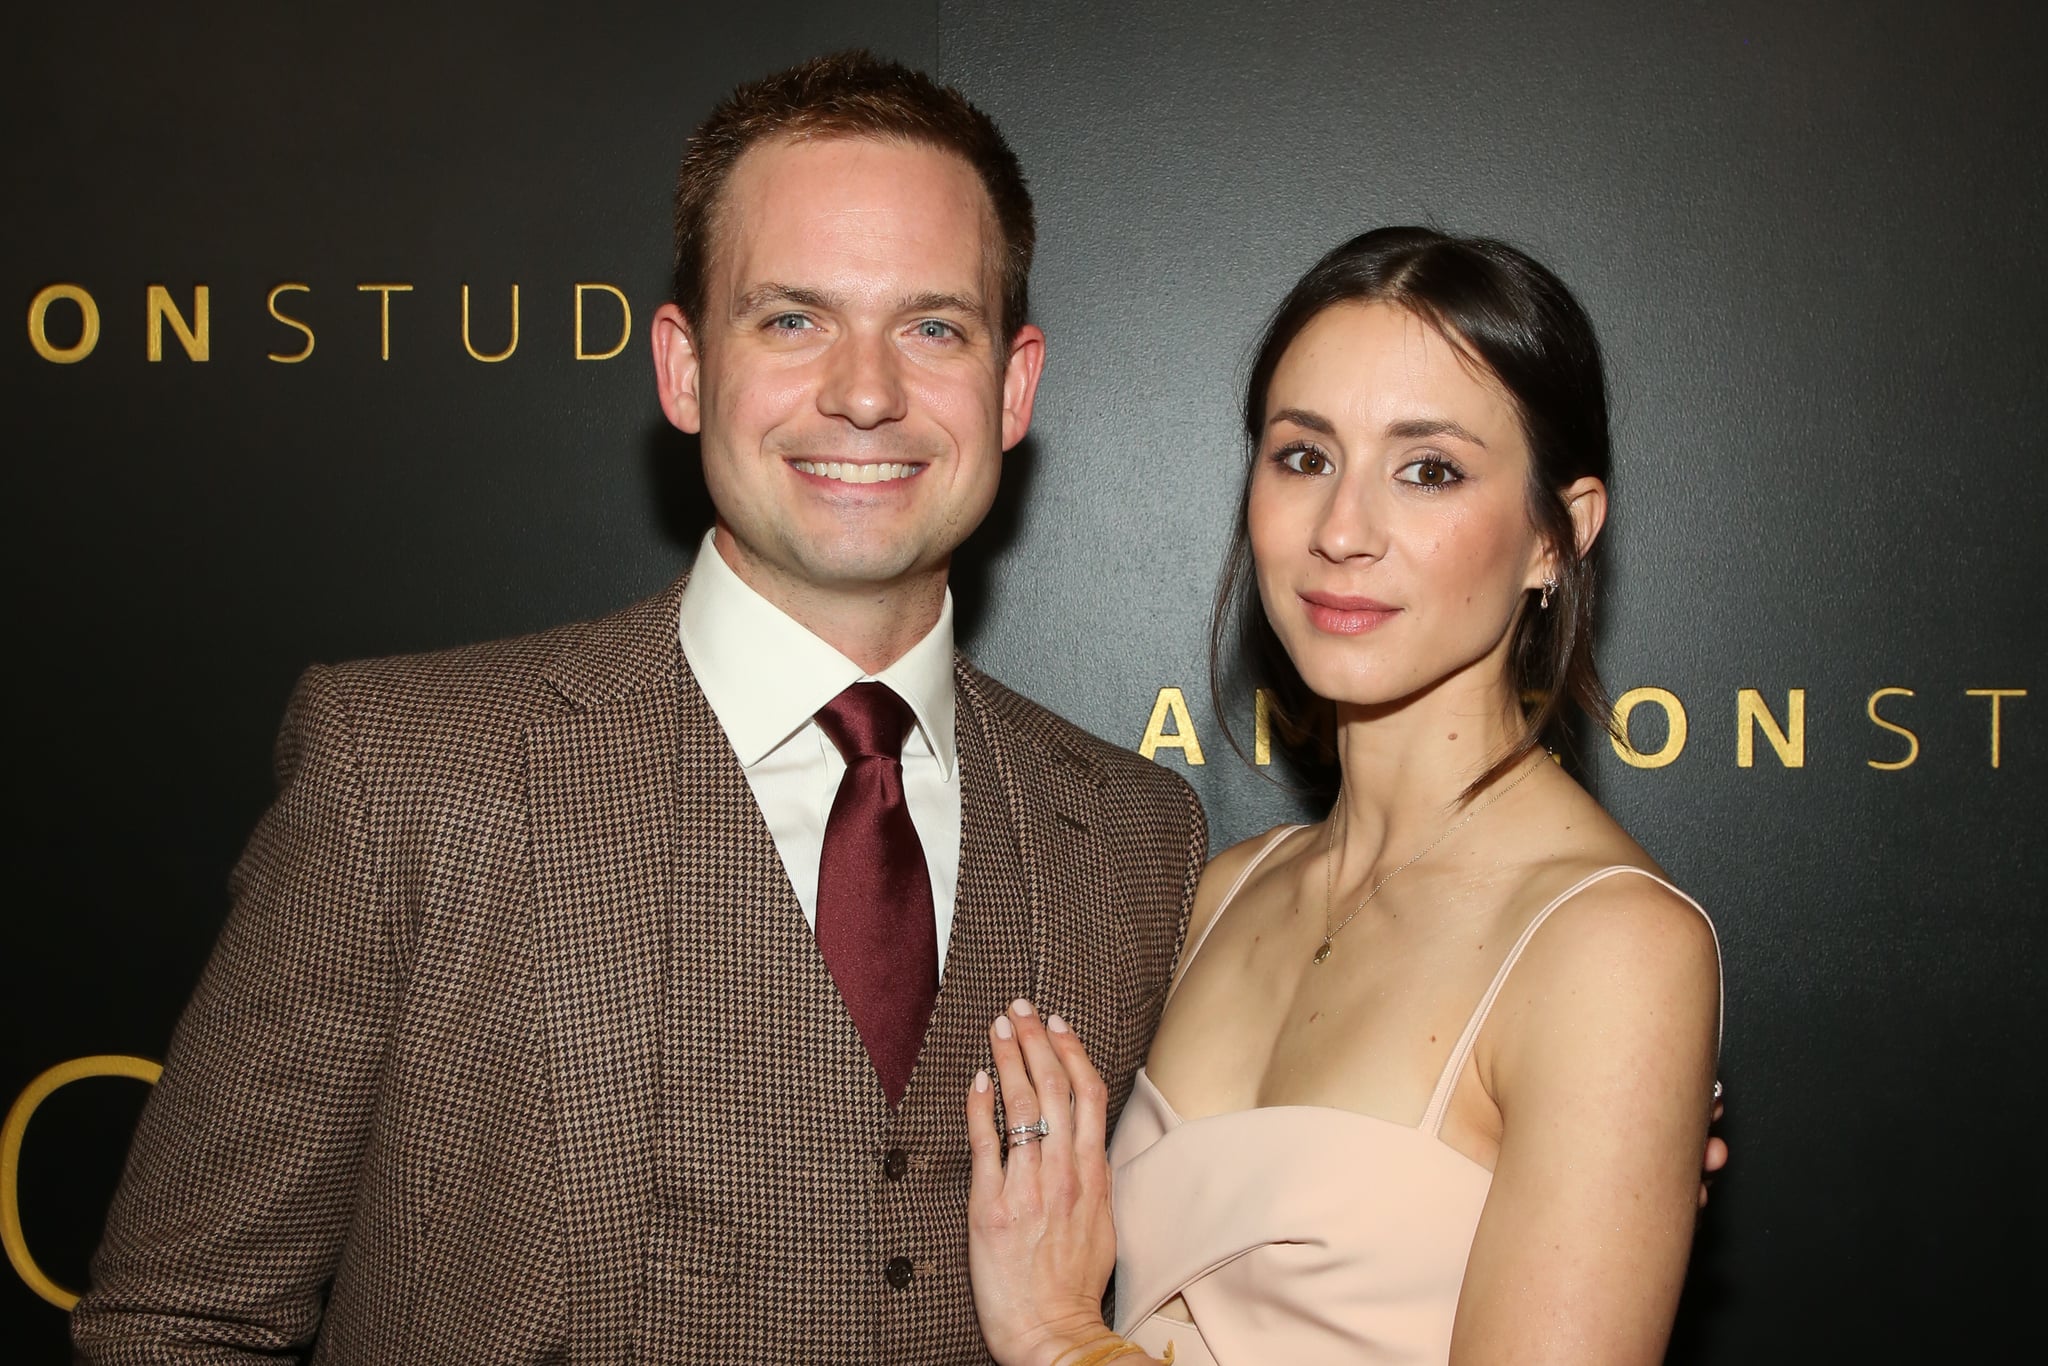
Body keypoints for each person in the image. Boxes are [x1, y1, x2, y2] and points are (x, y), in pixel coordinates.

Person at [71, 52, 1207, 1364]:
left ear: (1012, 389)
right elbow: (179, 1321)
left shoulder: (1134, 836)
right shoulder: (405, 774)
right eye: (793, 318)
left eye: (932, 326)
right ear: (682, 366)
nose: (865, 389)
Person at [966, 227, 1726, 1366]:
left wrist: (1059, 1339)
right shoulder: (1219, 890)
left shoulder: (1610, 950)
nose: (1338, 531)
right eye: (1302, 456)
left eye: (1428, 470)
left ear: (1555, 536)